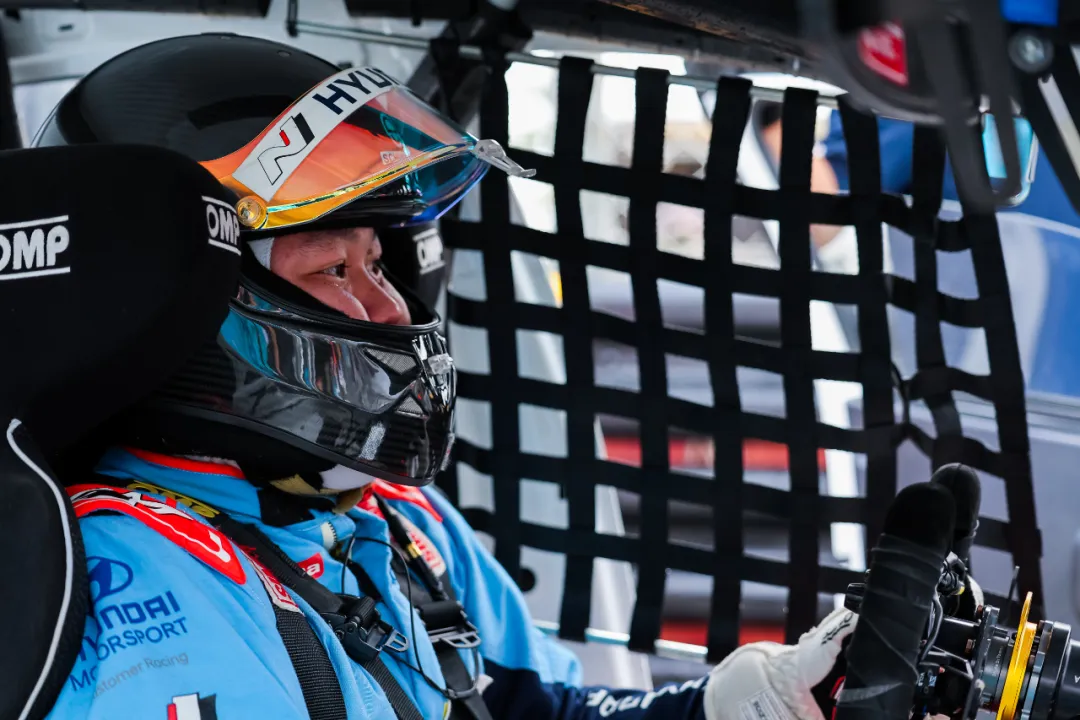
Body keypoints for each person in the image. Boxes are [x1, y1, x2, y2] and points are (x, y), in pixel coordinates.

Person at [37, 34, 856, 719]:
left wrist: (744, 706)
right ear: (200, 304)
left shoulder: (394, 519)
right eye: (334, 270)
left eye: (378, 264)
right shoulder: (137, 574)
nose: (389, 309)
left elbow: (531, 713)